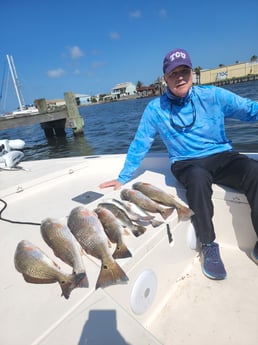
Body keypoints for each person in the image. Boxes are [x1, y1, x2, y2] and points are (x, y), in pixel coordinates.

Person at [99, 48, 258, 280]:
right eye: (174, 73)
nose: (180, 77)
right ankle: (209, 245)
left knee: (254, 170)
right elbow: (140, 142)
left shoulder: (213, 95)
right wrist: (123, 177)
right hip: (186, 162)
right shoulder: (155, 109)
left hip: (221, 155)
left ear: (192, 73)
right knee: (197, 177)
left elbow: (249, 110)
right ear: (166, 79)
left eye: (184, 71)